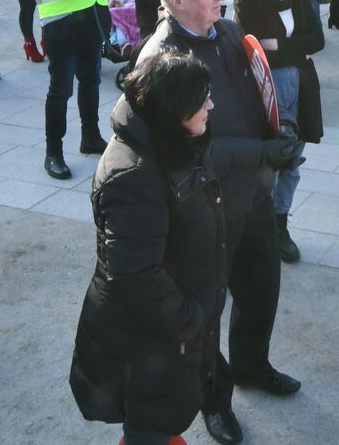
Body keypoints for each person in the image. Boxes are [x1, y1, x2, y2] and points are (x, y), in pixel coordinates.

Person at [140, 0, 301, 445]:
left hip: (254, 194)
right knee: (206, 311)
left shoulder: (229, 32)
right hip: (203, 208)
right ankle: (215, 402)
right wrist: (263, 151)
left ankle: (253, 366)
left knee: (260, 289)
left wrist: (284, 130)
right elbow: (190, 150)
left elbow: (262, 93)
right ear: (175, 1)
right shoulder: (161, 61)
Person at [69, 51, 224, 445]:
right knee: (150, 428)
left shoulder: (168, 141)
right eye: (201, 98)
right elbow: (135, 275)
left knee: (160, 425)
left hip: (167, 333)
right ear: (174, 107)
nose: (210, 104)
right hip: (151, 339)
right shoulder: (134, 176)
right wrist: (190, 320)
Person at [233, 0, 325, 263]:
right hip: (270, 87)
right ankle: (258, 225)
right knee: (271, 161)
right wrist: (285, 49)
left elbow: (317, 39)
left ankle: (280, 224)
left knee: (293, 162)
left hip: (302, 83)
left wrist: (279, 45)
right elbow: (255, 49)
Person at [27, 0, 123, 179]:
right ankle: (53, 152)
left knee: (91, 82)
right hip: (62, 26)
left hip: (92, 22)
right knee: (60, 90)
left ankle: (90, 137)